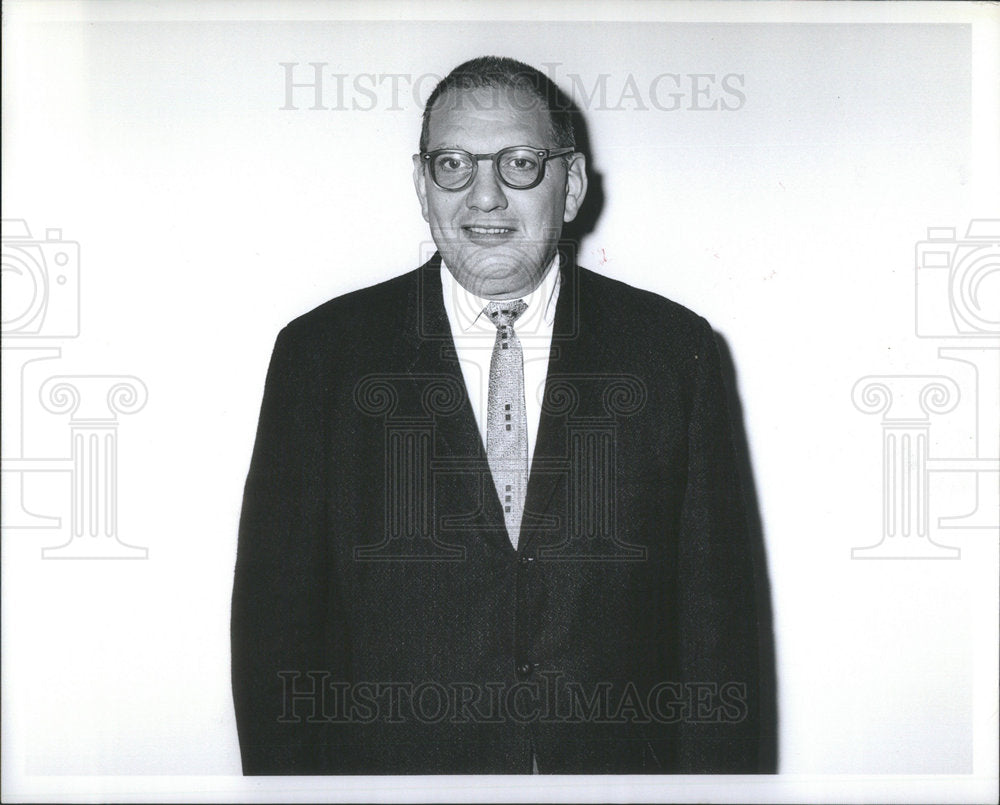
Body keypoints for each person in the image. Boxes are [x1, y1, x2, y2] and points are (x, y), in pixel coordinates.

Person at [231, 55, 772, 775]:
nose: (484, 196)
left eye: (519, 162)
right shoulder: (322, 358)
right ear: (422, 185)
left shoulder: (673, 354)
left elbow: (719, 635)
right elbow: (275, 635)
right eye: (453, 163)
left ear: (571, 184)